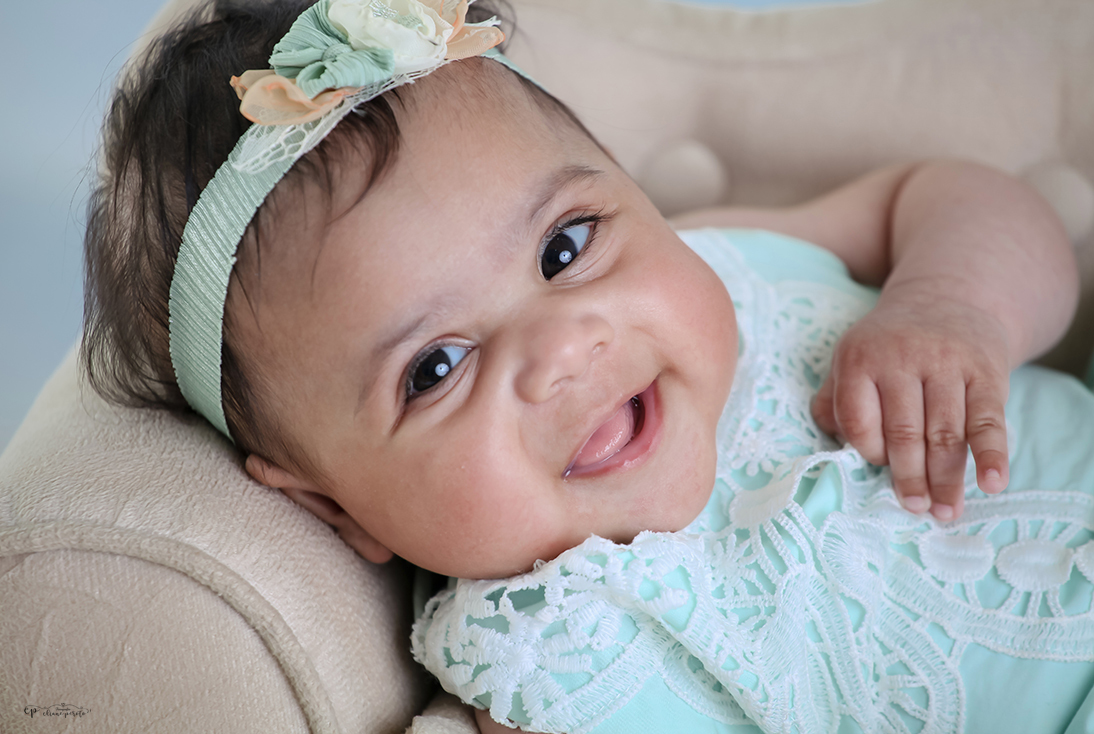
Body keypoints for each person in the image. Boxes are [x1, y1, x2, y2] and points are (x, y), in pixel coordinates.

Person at [80, 0, 1094, 732]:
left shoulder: (722, 259)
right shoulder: (551, 654)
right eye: (435, 367)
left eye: (563, 247)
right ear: (335, 507)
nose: (561, 349)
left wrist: (950, 302)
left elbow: (959, 199)